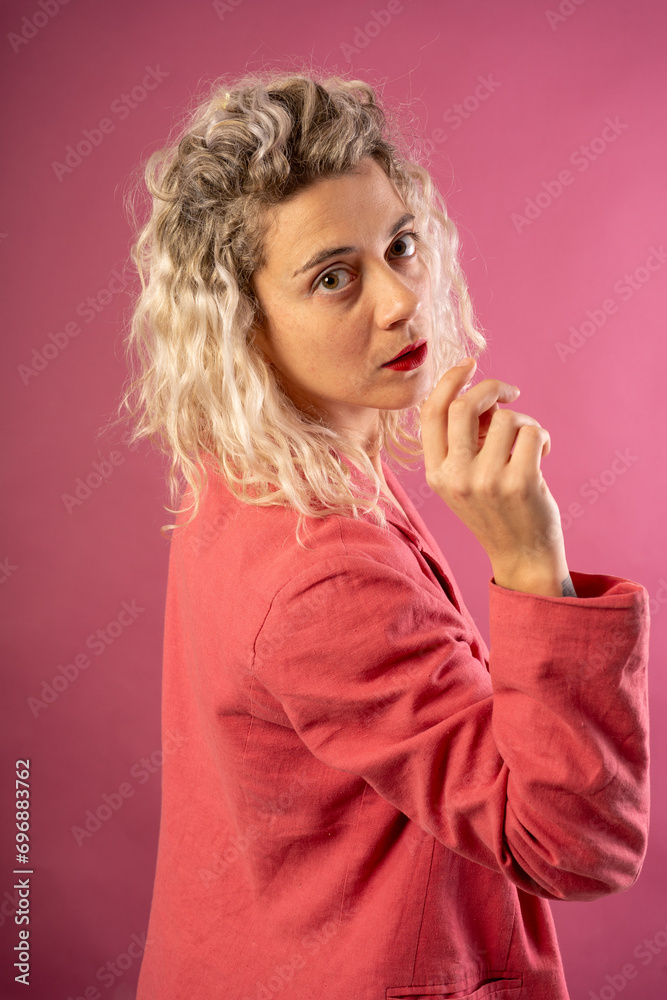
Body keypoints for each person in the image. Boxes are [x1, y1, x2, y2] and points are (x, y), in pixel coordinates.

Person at [118, 70, 650, 1000]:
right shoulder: (319, 571)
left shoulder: (252, 466)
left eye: (400, 245)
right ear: (245, 326)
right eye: (334, 278)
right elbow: (573, 847)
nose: (401, 299)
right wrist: (530, 564)